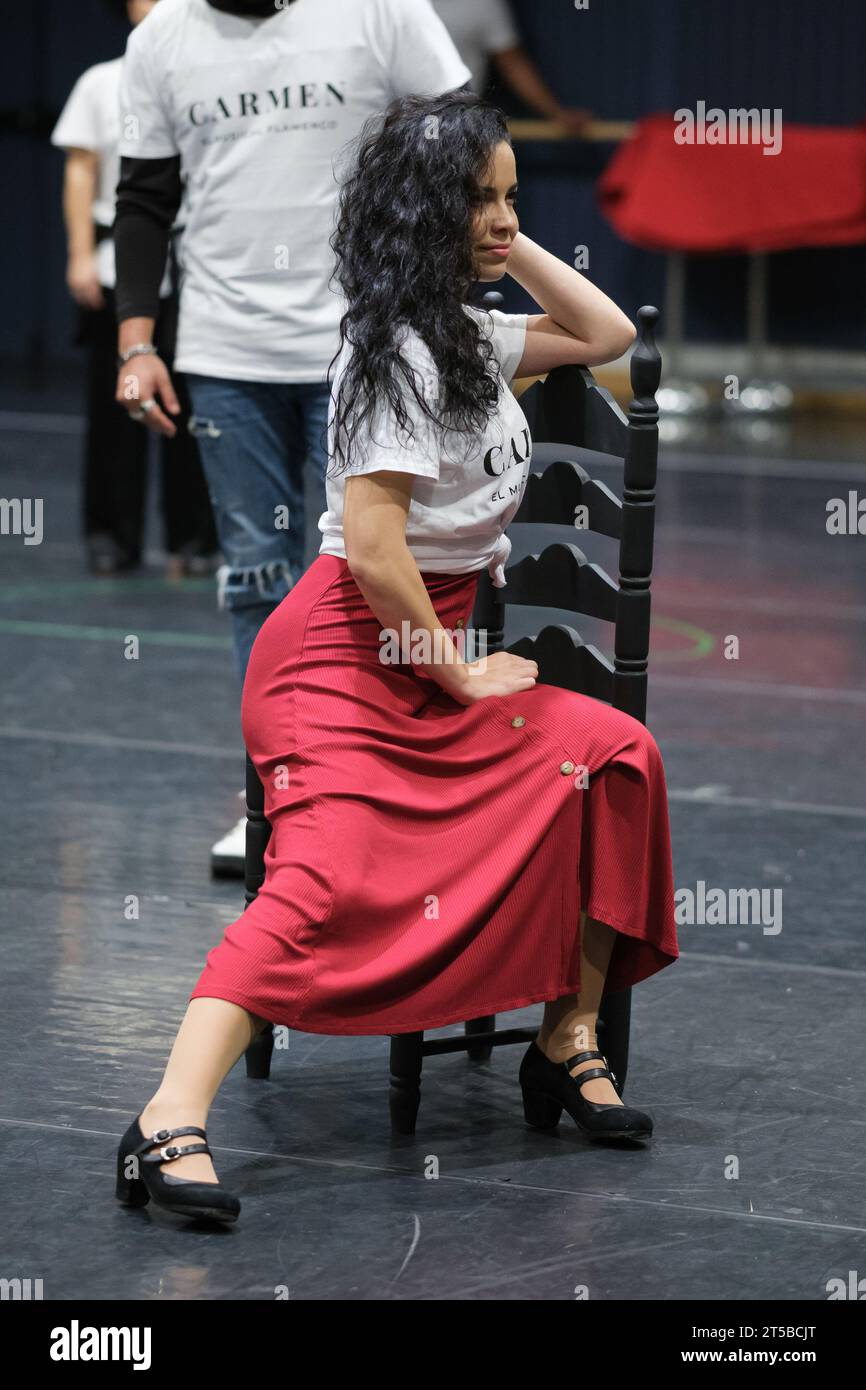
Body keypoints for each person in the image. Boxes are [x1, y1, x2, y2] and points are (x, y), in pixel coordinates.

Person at [115, 91, 679, 1226]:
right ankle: (164, 1117)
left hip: (433, 648)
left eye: (513, 197)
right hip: (341, 659)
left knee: (614, 755)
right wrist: (461, 673)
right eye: (476, 199)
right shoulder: (389, 356)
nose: (500, 219)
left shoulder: (478, 335)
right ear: (419, 212)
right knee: (321, 875)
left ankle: (564, 1036)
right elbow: (374, 555)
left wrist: (513, 243)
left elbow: (610, 338)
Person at [112, 0, 471, 875]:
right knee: (255, 580)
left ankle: (392, 793)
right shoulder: (160, 39)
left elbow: (462, 135)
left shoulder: (379, 10)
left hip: (368, 345)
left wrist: (423, 278)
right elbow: (143, 200)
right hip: (226, 356)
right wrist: (136, 344)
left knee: (380, 568)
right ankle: (276, 800)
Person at [51, 0, 217, 577]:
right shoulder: (100, 82)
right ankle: (110, 537)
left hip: (196, 267)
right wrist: (78, 255)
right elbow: (81, 170)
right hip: (119, 264)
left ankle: (195, 539)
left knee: (193, 408)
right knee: (116, 404)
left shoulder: (212, 77)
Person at [430, 0, 593, 132]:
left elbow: (512, 64)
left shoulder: (484, 4)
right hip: (408, 123)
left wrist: (556, 114)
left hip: (455, 127)